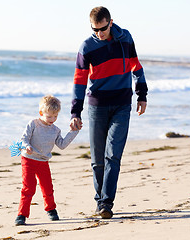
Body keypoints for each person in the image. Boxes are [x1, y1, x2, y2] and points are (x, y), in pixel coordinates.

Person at [70, 6, 148, 219]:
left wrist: (142, 94)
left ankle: (106, 203)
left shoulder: (126, 38)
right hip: (97, 106)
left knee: (113, 154)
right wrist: (75, 112)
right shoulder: (86, 46)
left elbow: (135, 65)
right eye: (95, 29)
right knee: (97, 159)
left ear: (110, 22)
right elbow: (79, 80)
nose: (99, 34)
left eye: (102, 29)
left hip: (122, 103)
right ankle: (99, 200)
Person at [15, 95, 79, 225]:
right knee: (29, 188)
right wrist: (27, 146)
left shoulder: (55, 130)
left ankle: (51, 210)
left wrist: (73, 132)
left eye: (55, 116)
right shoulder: (33, 124)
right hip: (28, 160)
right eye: (49, 116)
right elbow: (23, 139)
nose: (52, 119)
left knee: (47, 188)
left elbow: (62, 145)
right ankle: (22, 215)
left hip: (43, 162)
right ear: (41, 113)